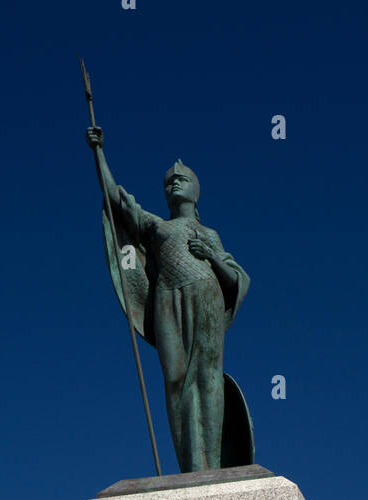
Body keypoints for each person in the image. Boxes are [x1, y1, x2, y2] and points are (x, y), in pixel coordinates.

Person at [86, 128, 250, 472]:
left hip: (204, 293)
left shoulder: (209, 234)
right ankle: (190, 467)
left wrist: (212, 256)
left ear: (196, 190)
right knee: (175, 380)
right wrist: (98, 151)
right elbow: (116, 200)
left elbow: (237, 279)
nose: (174, 182)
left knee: (207, 377)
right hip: (166, 301)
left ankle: (211, 467)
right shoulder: (157, 226)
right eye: (169, 181)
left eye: (182, 178)